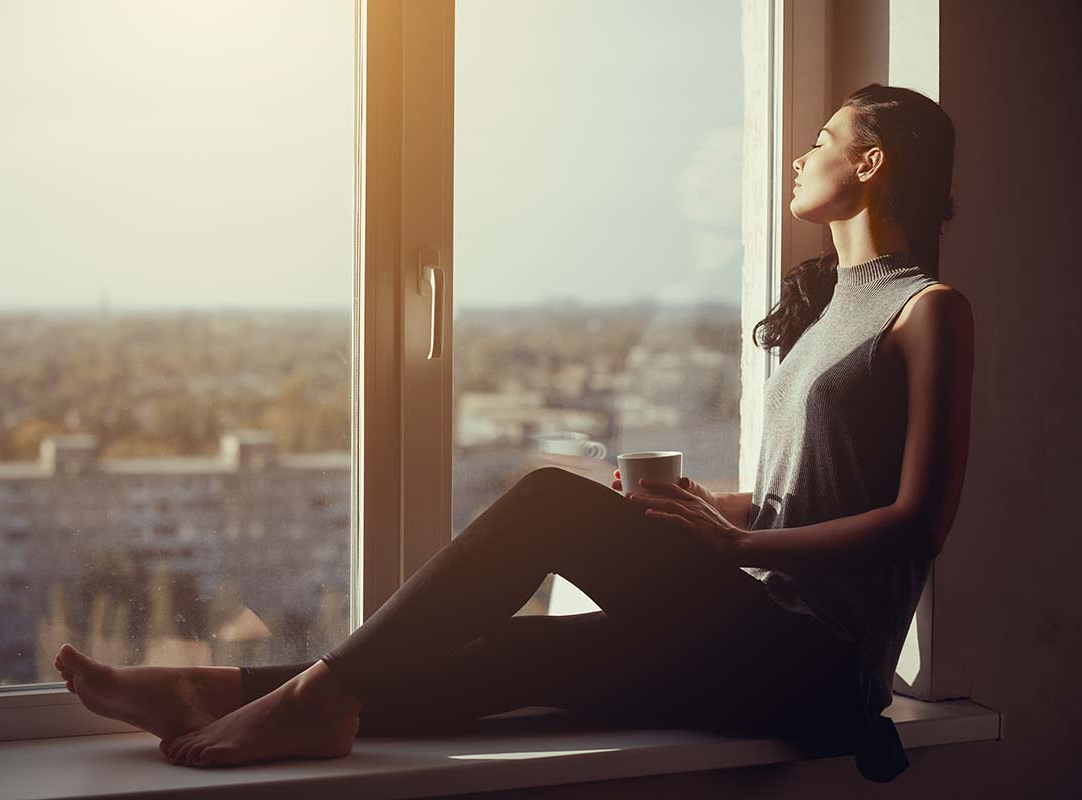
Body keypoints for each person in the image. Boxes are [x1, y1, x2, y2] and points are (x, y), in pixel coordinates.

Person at [54, 83, 972, 783]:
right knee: (512, 656)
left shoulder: (929, 310)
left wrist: (739, 540)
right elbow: (803, 495)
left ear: (871, 163)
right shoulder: (821, 316)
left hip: (824, 671)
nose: (804, 155)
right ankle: (212, 691)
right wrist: (704, 513)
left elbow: (918, 524)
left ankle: (315, 699)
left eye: (823, 141)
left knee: (545, 500)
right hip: (755, 632)